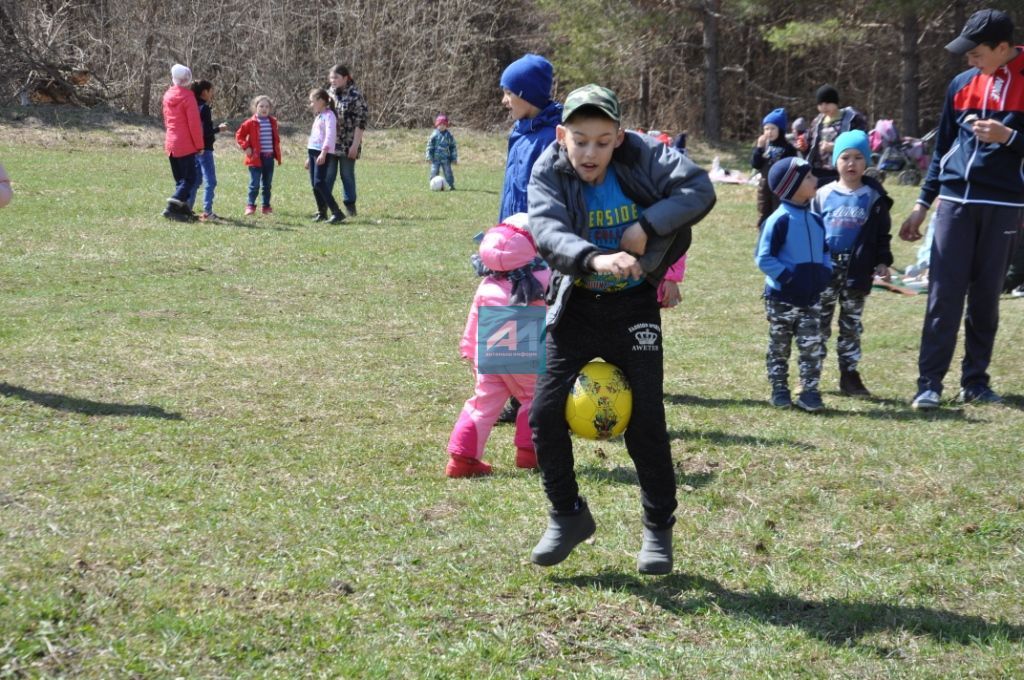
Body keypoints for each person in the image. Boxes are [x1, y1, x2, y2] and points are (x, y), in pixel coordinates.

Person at [526, 84, 716, 575]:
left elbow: (700, 189)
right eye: (580, 140)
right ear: (561, 134)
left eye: (603, 141)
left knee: (647, 422)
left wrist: (647, 226)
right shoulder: (547, 168)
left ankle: (658, 528)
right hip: (575, 305)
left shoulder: (646, 154)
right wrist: (594, 257)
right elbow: (546, 231)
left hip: (633, 307)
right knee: (543, 415)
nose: (591, 153)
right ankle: (567, 515)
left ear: (620, 137)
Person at [899, 9, 1024, 410]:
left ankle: (975, 381)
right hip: (954, 203)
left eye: (976, 53)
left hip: (1003, 204)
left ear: (1003, 48)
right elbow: (941, 151)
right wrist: (922, 204)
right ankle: (929, 384)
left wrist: (1010, 137)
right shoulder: (960, 84)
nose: (969, 60)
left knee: (986, 296)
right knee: (943, 294)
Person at [445, 214, 550, 478]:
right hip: (523, 351)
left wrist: (469, 349)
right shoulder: (543, 278)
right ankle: (530, 453)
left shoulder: (487, 283)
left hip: (489, 353)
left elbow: (474, 318)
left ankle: (462, 459)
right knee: (534, 398)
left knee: (482, 404)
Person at [496, 53, 564, 424]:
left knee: (538, 318)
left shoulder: (554, 137)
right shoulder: (518, 132)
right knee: (509, 316)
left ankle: (542, 399)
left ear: (526, 92)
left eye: (509, 92)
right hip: (511, 238)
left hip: (539, 244)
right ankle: (512, 396)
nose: (505, 100)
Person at [811, 130, 893, 397]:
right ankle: (810, 374)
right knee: (818, 322)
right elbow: (810, 230)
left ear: (867, 162)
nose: (851, 163)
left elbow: (882, 235)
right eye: (845, 157)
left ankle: (849, 376)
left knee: (851, 323)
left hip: (857, 268)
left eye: (859, 157)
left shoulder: (873, 197)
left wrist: (882, 261)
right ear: (835, 161)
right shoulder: (822, 194)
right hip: (825, 268)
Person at [755, 157, 831, 412]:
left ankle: (810, 392)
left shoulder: (816, 220)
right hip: (782, 299)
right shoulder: (779, 220)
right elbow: (764, 258)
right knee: (780, 346)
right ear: (793, 185)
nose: (815, 180)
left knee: (811, 346)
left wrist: (824, 273)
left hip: (811, 299)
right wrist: (788, 278)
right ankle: (779, 389)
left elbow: (825, 251)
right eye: (809, 177)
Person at [161, 64, 204, 222]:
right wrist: (199, 145)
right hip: (185, 144)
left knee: (180, 179)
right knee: (190, 179)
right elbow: (194, 124)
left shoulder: (167, 95)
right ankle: (171, 207)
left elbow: (167, 119)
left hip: (171, 142)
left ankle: (183, 208)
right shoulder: (188, 97)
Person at [327, 64, 369, 217]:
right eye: (331, 77)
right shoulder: (328, 94)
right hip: (330, 144)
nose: (333, 80)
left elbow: (361, 121)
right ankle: (325, 206)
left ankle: (350, 206)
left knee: (347, 175)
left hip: (348, 143)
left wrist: (355, 145)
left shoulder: (355, 95)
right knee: (328, 175)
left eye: (336, 77)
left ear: (345, 78)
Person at [806, 84, 867, 186]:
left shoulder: (852, 119)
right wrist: (803, 146)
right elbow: (810, 142)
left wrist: (836, 147)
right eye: (820, 104)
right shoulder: (817, 122)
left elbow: (861, 141)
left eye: (827, 103)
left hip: (842, 170)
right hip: (819, 170)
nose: (824, 107)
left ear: (836, 102)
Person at [186, 79, 229, 222]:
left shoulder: (191, 106)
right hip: (205, 149)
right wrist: (219, 129)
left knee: (196, 180)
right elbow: (205, 131)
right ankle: (207, 212)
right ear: (204, 92)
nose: (213, 93)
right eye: (211, 90)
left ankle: (187, 209)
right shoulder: (204, 108)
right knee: (211, 181)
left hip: (193, 148)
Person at [752, 107, 798, 228]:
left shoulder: (788, 148)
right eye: (766, 129)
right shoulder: (764, 146)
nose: (769, 132)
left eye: (773, 128)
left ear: (781, 129)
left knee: (779, 214)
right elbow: (755, 164)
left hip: (781, 188)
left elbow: (793, 168)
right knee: (763, 214)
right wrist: (758, 149)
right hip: (764, 187)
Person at [235, 95, 281, 216]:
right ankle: (250, 205)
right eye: (261, 106)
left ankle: (266, 206)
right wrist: (246, 147)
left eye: (267, 106)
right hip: (255, 158)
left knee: (267, 184)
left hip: (269, 158)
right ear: (255, 108)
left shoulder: (273, 122)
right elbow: (239, 136)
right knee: (254, 184)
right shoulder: (250, 123)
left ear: (270, 108)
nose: (264, 109)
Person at [304, 89, 345, 224]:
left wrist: (324, 152)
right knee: (314, 184)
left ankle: (336, 212)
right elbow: (315, 137)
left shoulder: (330, 116)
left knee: (319, 182)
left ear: (321, 101)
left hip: (322, 152)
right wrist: (308, 157)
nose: (311, 104)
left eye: (312, 101)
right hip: (313, 151)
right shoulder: (319, 115)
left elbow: (329, 136)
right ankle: (322, 212)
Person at [426, 114, 458, 190]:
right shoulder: (434, 135)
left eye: (444, 124)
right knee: (434, 172)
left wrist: (454, 158)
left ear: (446, 125)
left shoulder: (449, 136)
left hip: (446, 159)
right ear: (437, 125)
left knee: (448, 172)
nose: (442, 126)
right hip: (435, 159)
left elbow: (453, 147)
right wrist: (428, 157)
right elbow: (429, 146)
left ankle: (451, 185)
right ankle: (433, 185)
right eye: (440, 124)